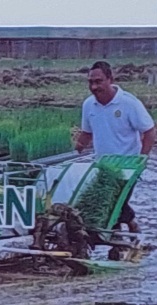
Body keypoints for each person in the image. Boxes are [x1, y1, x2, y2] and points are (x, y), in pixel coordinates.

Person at [75, 61, 155, 234]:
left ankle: (123, 239)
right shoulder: (89, 105)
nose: (94, 86)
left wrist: (141, 159)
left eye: (99, 81)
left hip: (127, 166)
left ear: (110, 79)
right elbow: (87, 133)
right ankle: (125, 233)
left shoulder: (128, 103)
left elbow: (149, 131)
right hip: (103, 166)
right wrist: (78, 147)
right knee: (105, 203)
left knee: (114, 204)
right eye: (91, 82)